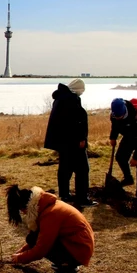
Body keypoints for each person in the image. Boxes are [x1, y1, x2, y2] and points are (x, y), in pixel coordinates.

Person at [6, 184, 95, 273]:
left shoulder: (51, 214)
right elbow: (37, 238)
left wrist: (21, 258)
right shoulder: (45, 206)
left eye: (22, 210)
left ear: (27, 206)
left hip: (79, 249)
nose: (23, 213)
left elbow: (42, 247)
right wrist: (20, 253)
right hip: (75, 244)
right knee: (32, 238)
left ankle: (68, 269)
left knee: (35, 239)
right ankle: (66, 263)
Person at [44, 79, 96, 207]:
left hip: (62, 141)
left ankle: (65, 195)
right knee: (83, 169)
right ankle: (82, 198)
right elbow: (76, 122)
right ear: (78, 89)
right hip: (73, 142)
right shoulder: (72, 99)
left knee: (65, 168)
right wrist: (81, 138)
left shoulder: (60, 98)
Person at [110, 98, 137, 197]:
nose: (118, 118)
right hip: (130, 135)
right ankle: (128, 178)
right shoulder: (114, 116)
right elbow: (115, 126)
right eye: (116, 116)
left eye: (121, 116)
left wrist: (136, 157)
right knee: (120, 157)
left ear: (125, 110)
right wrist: (113, 137)